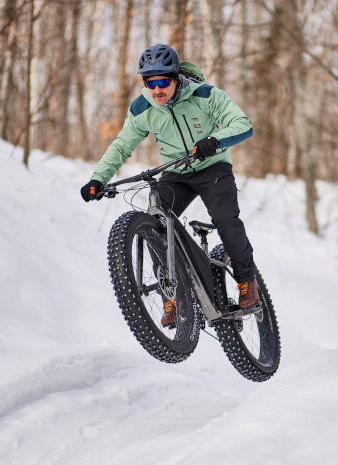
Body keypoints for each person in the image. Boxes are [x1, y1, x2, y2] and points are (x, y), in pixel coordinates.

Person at [80, 43, 258, 326]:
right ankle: (171, 297)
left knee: (226, 219)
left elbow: (243, 124)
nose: (157, 89)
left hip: (213, 166)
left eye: (163, 81)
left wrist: (216, 140)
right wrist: (98, 178)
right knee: (156, 221)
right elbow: (122, 145)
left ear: (176, 78)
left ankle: (247, 280)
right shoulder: (143, 108)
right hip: (177, 172)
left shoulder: (205, 95)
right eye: (150, 83)